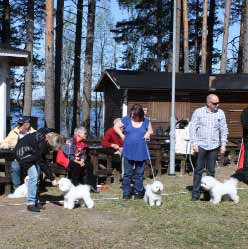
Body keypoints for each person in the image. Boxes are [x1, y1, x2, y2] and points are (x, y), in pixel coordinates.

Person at [189, 94, 228, 201]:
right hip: (201, 145)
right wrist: (194, 143)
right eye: (215, 103)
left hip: (214, 146)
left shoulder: (220, 113)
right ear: (208, 103)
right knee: (198, 170)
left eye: (218, 103)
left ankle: (209, 195)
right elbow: (192, 129)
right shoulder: (198, 112)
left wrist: (223, 144)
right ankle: (195, 195)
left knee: (211, 171)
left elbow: (224, 130)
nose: (217, 105)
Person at [15, 128, 62, 212]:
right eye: (51, 147)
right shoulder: (41, 145)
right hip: (23, 153)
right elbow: (42, 162)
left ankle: (36, 201)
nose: (51, 149)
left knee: (37, 176)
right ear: (49, 142)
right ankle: (31, 203)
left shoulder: (47, 134)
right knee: (34, 176)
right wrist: (52, 179)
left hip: (31, 151)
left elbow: (46, 129)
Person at [114, 104, 153, 199]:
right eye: (132, 114)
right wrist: (122, 135)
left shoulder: (146, 121)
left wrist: (148, 133)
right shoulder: (126, 119)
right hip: (128, 150)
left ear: (140, 115)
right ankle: (126, 193)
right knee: (127, 173)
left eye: (134, 115)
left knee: (139, 174)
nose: (132, 116)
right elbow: (116, 127)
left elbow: (151, 130)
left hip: (141, 151)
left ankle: (138, 193)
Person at [0, 116, 36, 191]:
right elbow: (3, 143)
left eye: (21, 124)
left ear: (27, 125)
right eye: (18, 124)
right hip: (17, 158)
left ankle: (32, 189)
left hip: (31, 159)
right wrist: (9, 145)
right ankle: (17, 189)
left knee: (35, 169)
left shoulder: (34, 133)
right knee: (15, 167)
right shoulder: (14, 132)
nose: (19, 126)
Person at [60, 127, 97, 191]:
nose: (86, 134)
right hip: (66, 159)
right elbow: (69, 155)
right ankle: (75, 185)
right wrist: (79, 162)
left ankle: (90, 185)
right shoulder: (70, 141)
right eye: (85, 133)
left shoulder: (82, 143)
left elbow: (84, 154)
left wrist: (82, 160)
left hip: (77, 159)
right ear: (78, 134)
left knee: (89, 165)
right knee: (76, 166)